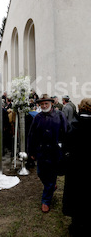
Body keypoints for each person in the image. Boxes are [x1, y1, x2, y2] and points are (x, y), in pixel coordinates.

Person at [28, 94, 68, 213]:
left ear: (51, 103)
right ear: (39, 105)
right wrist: (31, 151)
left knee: (51, 175)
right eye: (42, 104)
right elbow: (31, 135)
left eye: (46, 103)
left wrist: (64, 149)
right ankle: (51, 185)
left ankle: (46, 200)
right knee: (41, 173)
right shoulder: (37, 118)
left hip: (54, 152)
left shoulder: (60, 115)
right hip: (41, 152)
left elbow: (65, 132)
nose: (44, 105)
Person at [63, 98, 91, 236]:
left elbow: (66, 147)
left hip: (75, 169)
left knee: (76, 197)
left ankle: (76, 226)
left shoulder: (74, 125)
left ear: (81, 107)